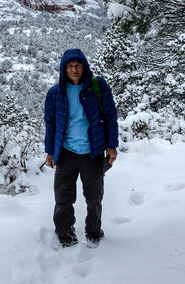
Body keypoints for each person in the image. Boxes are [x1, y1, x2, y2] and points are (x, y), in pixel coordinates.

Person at [44, 48, 118, 248]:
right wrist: (50, 151)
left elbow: (110, 116)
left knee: (94, 197)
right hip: (66, 152)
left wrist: (111, 145)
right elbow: (50, 123)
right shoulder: (55, 93)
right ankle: (64, 232)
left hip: (92, 152)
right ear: (63, 69)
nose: (74, 70)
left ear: (84, 67)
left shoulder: (97, 87)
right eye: (70, 66)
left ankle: (93, 232)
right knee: (63, 198)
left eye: (78, 66)